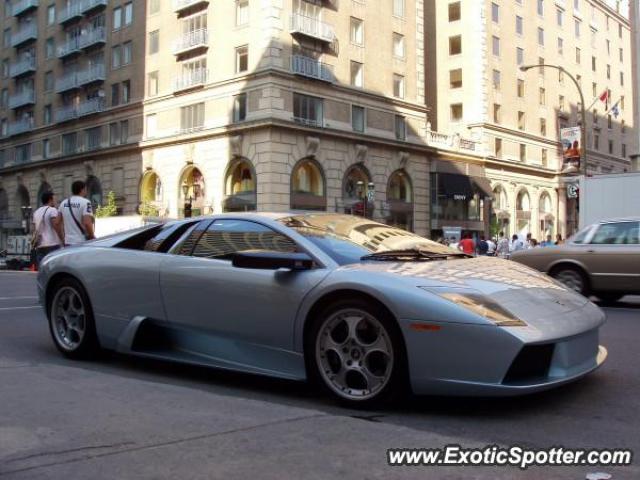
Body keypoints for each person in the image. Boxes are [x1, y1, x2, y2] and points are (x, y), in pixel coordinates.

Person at [32, 191, 64, 267]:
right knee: (54, 268)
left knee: (43, 269)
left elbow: (33, 229)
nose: (55, 201)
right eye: (54, 199)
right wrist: (62, 239)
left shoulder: (36, 212)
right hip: (52, 244)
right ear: (50, 200)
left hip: (40, 245)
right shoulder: (52, 210)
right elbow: (56, 225)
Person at [59, 180, 96, 246]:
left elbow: (57, 222)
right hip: (80, 241)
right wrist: (92, 237)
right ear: (82, 190)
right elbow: (87, 223)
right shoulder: (86, 202)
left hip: (68, 242)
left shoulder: (63, 203)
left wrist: (62, 238)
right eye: (85, 189)